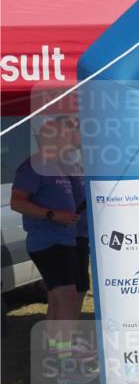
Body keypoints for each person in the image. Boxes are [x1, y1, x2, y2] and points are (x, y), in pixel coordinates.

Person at [11, 116, 89, 321]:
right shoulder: (33, 166)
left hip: (68, 240)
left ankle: (59, 349)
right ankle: (62, 352)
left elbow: (78, 199)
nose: (70, 138)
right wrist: (52, 215)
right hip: (49, 242)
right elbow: (17, 202)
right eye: (64, 134)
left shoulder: (62, 165)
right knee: (66, 298)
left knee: (63, 298)